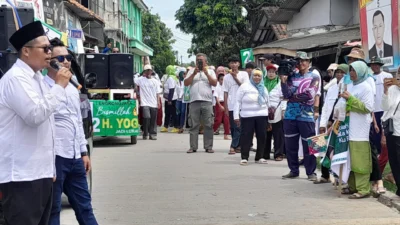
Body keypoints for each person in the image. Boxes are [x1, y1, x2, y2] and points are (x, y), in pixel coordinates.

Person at [0, 21, 71, 225]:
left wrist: (50, 169)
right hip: (21, 177)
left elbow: (47, 126)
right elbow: (35, 115)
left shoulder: (37, 78)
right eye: (45, 48)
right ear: (26, 51)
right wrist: (58, 86)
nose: (50, 53)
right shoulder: (16, 79)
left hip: (40, 174)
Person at [44, 38, 98, 225]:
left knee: (84, 206)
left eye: (68, 57)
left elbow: (77, 121)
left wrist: (83, 152)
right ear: (49, 60)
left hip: (75, 156)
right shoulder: (43, 87)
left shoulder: (74, 88)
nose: (66, 61)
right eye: (60, 58)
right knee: (53, 209)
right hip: (55, 157)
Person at [280, 52, 320, 181]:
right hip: (290, 115)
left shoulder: (314, 76)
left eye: (304, 61)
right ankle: (293, 170)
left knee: (311, 144)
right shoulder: (291, 76)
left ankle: (311, 172)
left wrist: (292, 97)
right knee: (290, 145)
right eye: (299, 61)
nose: (301, 63)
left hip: (307, 115)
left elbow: (309, 95)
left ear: (309, 62)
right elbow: (286, 94)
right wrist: (283, 82)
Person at [339, 61, 374, 199]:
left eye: (354, 71)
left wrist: (350, 99)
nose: (351, 73)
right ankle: (352, 186)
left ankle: (363, 189)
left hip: (360, 129)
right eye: (350, 70)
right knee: (350, 159)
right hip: (349, 127)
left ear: (361, 71)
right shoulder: (352, 86)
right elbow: (348, 105)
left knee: (360, 159)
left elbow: (368, 108)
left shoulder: (366, 87)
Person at [315, 64, 348, 184]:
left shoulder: (348, 88)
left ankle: (339, 177)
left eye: (342, 72)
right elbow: (325, 107)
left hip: (339, 123)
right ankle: (324, 175)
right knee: (321, 148)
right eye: (337, 72)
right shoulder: (332, 88)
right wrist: (322, 124)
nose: (339, 74)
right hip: (328, 123)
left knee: (336, 150)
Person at [234, 69, 269, 165]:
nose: (257, 78)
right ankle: (244, 157)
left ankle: (259, 157)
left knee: (262, 136)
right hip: (247, 115)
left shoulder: (263, 87)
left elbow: (267, 102)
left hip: (262, 115)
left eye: (259, 76)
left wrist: (269, 118)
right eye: (255, 75)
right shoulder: (244, 86)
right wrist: (236, 115)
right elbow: (237, 101)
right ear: (251, 76)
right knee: (246, 136)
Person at [184, 53, 217, 153]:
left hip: (207, 101)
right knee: (194, 125)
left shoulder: (210, 71)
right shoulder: (191, 71)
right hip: (194, 101)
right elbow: (186, 83)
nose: (200, 62)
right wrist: (194, 73)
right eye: (198, 60)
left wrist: (206, 73)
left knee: (208, 124)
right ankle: (193, 147)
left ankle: (208, 147)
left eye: (201, 60)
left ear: (205, 61)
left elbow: (214, 83)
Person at [223, 55, 250, 155]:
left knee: (238, 126)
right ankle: (238, 145)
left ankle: (233, 146)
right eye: (232, 63)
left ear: (239, 64)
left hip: (242, 104)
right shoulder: (226, 77)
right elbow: (225, 92)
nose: (234, 64)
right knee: (233, 127)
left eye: (235, 62)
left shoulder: (244, 74)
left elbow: (245, 88)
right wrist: (225, 106)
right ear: (229, 65)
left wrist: (235, 78)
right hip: (231, 104)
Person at [382, 68, 400, 197]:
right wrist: (386, 91)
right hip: (391, 130)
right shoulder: (392, 89)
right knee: (394, 161)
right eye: (399, 74)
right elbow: (385, 107)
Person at [264, 65, 286, 161]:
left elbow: (283, 98)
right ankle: (265, 153)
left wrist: (283, 110)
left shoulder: (280, 84)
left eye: (273, 72)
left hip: (277, 111)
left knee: (278, 134)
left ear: (276, 73)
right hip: (264, 111)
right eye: (269, 72)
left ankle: (278, 154)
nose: (271, 74)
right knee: (265, 133)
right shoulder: (262, 83)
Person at [135, 65, 162, 140]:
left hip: (153, 103)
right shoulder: (140, 80)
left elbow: (158, 92)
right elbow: (134, 82)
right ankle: (145, 132)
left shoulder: (155, 81)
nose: (148, 72)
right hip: (145, 102)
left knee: (153, 119)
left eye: (149, 70)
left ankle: (152, 134)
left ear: (151, 71)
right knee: (146, 117)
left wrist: (158, 102)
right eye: (146, 70)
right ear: (144, 72)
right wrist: (137, 93)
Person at [161, 65, 180, 133]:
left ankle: (176, 127)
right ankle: (165, 126)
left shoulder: (171, 78)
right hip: (168, 98)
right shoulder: (170, 77)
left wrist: (169, 100)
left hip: (171, 98)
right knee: (167, 113)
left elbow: (171, 89)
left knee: (173, 113)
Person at [213, 73, 230, 140]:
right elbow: (216, 97)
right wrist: (220, 106)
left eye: (223, 80)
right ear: (218, 80)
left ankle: (226, 134)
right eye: (221, 79)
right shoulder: (217, 86)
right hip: (219, 104)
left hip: (226, 103)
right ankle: (211, 131)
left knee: (226, 120)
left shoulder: (227, 86)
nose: (222, 81)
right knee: (218, 120)